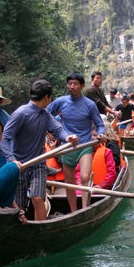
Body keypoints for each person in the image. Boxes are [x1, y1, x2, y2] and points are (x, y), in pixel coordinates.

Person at [0, 80, 78, 221]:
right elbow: (4, 138)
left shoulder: (45, 114)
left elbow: (57, 129)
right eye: (50, 97)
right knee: (20, 204)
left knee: (37, 197)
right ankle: (21, 228)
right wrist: (12, 160)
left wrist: (68, 138)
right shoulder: (21, 114)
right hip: (20, 165)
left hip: (38, 165)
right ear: (47, 97)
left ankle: (40, 228)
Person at [47, 72, 107, 212]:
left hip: (85, 145)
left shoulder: (90, 104)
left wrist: (101, 133)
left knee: (85, 177)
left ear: (82, 86)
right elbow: (45, 114)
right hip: (68, 147)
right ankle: (74, 212)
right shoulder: (60, 101)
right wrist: (54, 130)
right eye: (70, 83)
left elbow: (99, 124)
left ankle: (85, 209)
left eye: (75, 84)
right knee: (70, 183)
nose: (72, 86)